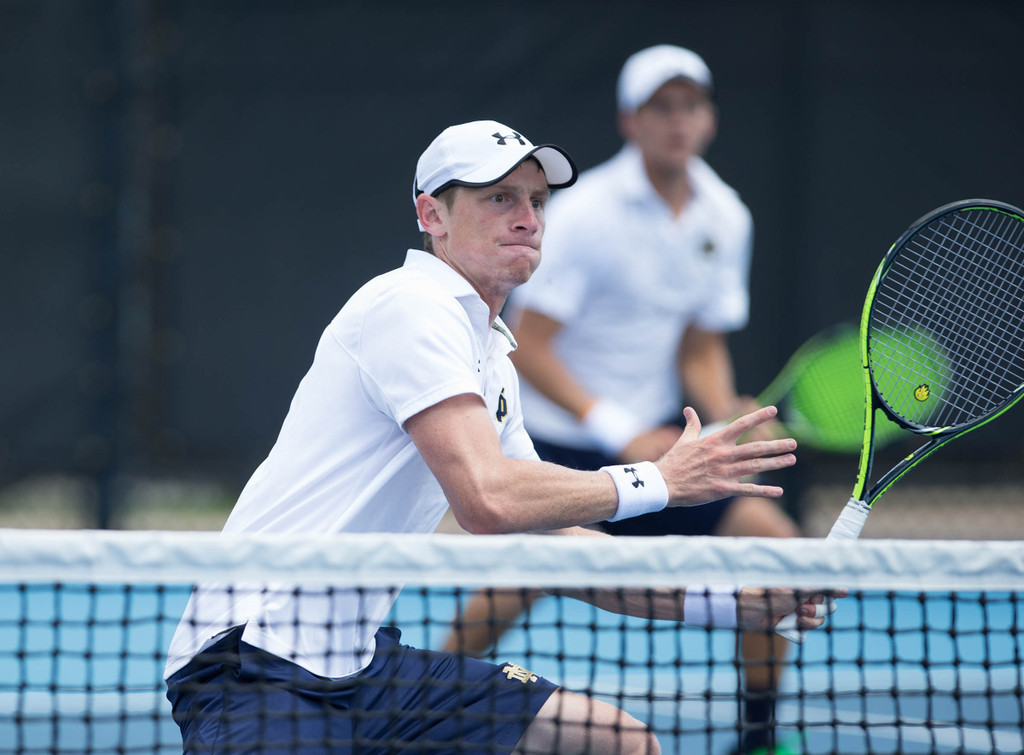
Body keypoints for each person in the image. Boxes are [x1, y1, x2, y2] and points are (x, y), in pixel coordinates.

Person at [163, 119, 832, 755]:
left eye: (537, 200)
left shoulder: (491, 358)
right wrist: (659, 480)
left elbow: (549, 543)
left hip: (360, 662)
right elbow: (487, 499)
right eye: (499, 197)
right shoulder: (410, 306)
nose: (528, 218)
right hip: (251, 664)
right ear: (433, 216)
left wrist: (733, 603)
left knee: (614, 739)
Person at [441, 47, 800, 755]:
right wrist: (620, 430)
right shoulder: (585, 214)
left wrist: (723, 405)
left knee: (777, 551)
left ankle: (758, 736)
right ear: (629, 121)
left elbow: (698, 344)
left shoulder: (725, 216)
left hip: (665, 447)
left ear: (709, 119)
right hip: (561, 441)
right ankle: (438, 696)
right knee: (524, 576)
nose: (677, 121)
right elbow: (533, 345)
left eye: (690, 105)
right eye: (660, 107)